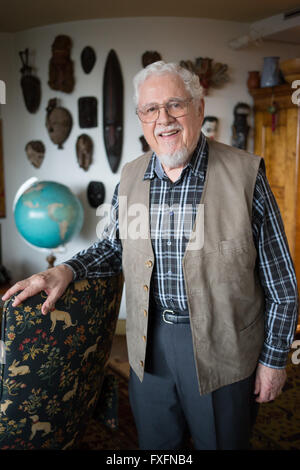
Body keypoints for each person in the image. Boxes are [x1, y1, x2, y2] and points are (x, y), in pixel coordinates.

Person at [3, 61, 298, 450]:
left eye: (175, 105)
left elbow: (283, 285)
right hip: (149, 346)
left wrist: (274, 361)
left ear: (198, 108)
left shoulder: (246, 174)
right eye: (150, 109)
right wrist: (67, 270)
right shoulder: (130, 175)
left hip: (226, 347)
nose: (164, 119)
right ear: (141, 118)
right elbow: (113, 247)